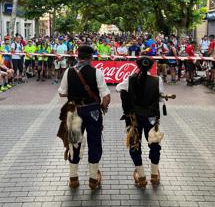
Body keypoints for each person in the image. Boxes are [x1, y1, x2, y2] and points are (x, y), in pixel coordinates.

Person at [58, 45, 110, 190]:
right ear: (91, 57)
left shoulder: (68, 71)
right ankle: (93, 179)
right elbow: (106, 96)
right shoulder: (97, 72)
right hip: (93, 111)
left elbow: (62, 93)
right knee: (94, 143)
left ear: (77, 56)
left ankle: (73, 178)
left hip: (75, 111)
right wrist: (103, 108)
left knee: (74, 142)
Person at [116, 57, 164, 188]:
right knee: (154, 143)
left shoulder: (130, 79)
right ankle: (154, 175)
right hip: (151, 117)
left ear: (137, 65)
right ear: (151, 67)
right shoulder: (157, 80)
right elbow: (161, 98)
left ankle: (141, 176)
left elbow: (118, 88)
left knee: (135, 144)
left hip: (134, 118)